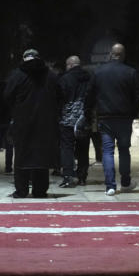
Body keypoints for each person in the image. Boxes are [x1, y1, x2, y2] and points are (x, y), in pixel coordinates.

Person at [4, 49, 60, 198]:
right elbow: (60, 96)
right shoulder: (50, 75)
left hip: (22, 122)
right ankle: (40, 190)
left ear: (24, 58)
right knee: (42, 156)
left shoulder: (17, 75)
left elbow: (7, 96)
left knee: (22, 155)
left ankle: (21, 190)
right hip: (45, 122)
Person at [90, 43, 139, 196]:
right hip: (124, 118)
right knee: (124, 150)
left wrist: (90, 112)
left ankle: (110, 186)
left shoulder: (98, 72)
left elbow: (90, 94)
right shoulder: (131, 72)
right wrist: (133, 113)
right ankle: (125, 183)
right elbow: (138, 97)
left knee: (107, 151)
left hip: (105, 117)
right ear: (123, 55)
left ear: (110, 54)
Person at [57, 55, 93, 187]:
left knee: (67, 148)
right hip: (84, 119)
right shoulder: (89, 77)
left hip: (67, 119)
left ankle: (68, 176)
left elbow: (60, 97)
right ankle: (82, 176)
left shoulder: (65, 79)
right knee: (83, 148)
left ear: (70, 65)